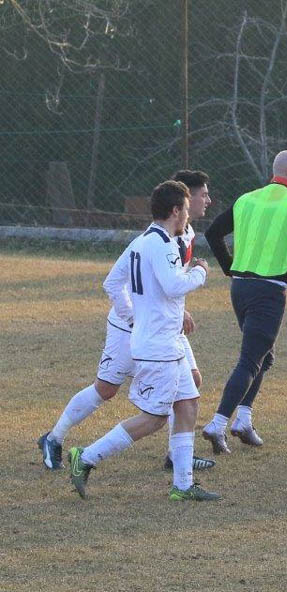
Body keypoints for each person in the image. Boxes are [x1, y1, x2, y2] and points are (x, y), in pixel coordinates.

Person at [38, 171, 216, 473]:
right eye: (202, 195)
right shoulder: (153, 239)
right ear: (180, 204)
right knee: (106, 389)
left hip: (163, 328)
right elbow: (116, 283)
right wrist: (135, 316)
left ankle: (177, 457)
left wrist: (177, 310)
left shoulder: (184, 234)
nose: (207, 200)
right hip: (134, 328)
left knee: (190, 382)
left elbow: (167, 284)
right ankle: (54, 438)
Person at [201, 150, 287, 454]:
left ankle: (243, 420)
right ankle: (217, 423)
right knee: (250, 360)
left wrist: (230, 267)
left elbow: (213, 232)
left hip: (240, 289)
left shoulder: (246, 199)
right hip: (268, 292)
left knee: (263, 357)